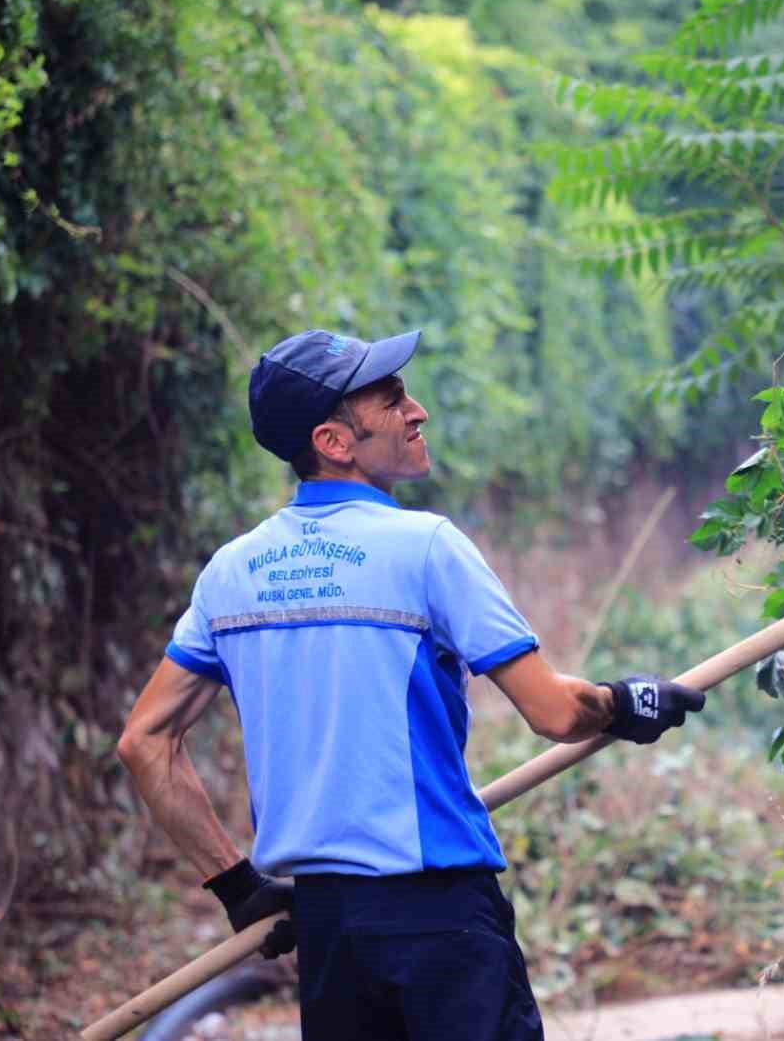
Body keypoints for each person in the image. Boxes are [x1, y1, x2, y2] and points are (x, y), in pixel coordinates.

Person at [117, 328, 705, 1041]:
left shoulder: (231, 574)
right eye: (391, 399)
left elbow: (144, 742)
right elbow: (554, 711)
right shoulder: (426, 549)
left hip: (328, 933)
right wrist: (626, 702)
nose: (417, 409)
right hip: (440, 918)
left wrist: (237, 888)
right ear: (334, 441)